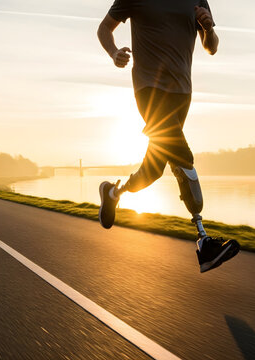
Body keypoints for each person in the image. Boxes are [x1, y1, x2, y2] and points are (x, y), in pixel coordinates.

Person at [96, 0, 239, 272]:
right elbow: (104, 28)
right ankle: (204, 241)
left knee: (153, 171)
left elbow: (212, 47)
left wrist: (208, 28)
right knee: (183, 159)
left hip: (182, 92)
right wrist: (114, 53)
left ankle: (113, 193)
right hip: (149, 88)